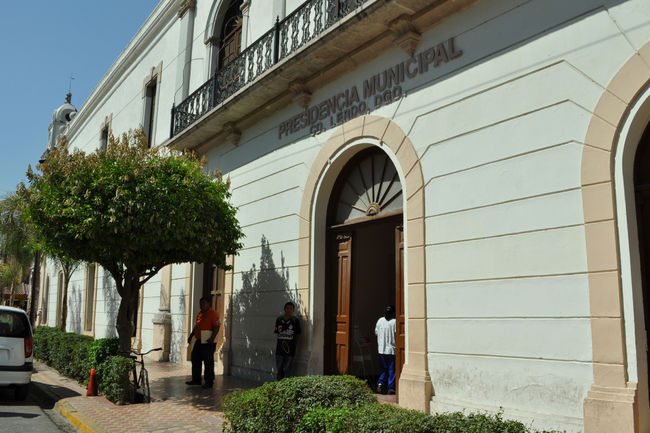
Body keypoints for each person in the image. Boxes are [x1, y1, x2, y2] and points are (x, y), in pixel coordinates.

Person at [186, 297, 220, 388]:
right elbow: (197, 326)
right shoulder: (200, 314)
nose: (202, 305)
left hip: (208, 342)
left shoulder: (213, 313)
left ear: (209, 304)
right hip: (199, 340)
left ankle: (209, 382)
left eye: (204, 303)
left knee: (208, 362)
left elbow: (217, 327)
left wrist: (212, 338)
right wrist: (191, 335)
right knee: (195, 359)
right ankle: (196, 380)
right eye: (200, 304)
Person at [274, 301, 301, 380]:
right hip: (279, 349)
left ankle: (286, 384)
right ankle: (279, 384)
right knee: (279, 369)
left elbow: (298, 334)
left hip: (290, 349)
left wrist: (294, 344)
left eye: (291, 309)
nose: (289, 310)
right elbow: (277, 332)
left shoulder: (295, 320)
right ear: (284, 309)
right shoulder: (279, 319)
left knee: (288, 369)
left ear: (293, 310)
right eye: (287, 308)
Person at [375, 305, 396, 395]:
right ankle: (391, 387)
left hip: (381, 350)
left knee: (383, 369)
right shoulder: (394, 322)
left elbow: (376, 332)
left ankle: (380, 384)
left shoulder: (380, 320)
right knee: (391, 369)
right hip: (391, 350)